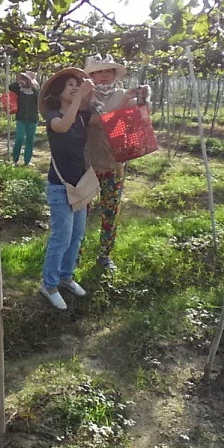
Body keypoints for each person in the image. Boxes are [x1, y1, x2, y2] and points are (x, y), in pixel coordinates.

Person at [83, 56, 149, 271]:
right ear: (91, 75)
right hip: (87, 162)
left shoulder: (123, 94)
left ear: (114, 75)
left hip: (114, 162)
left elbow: (137, 118)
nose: (104, 75)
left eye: (108, 71)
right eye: (99, 72)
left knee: (110, 211)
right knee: (81, 211)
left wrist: (143, 100)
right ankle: (75, 252)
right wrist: (125, 101)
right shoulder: (85, 96)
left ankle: (105, 254)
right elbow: (98, 122)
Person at [37, 67, 96, 310]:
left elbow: (105, 118)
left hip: (80, 185)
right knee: (61, 237)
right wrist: (80, 96)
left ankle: (66, 277)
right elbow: (62, 126)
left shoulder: (82, 116)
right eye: (70, 85)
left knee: (76, 236)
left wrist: (130, 99)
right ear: (59, 92)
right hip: (61, 186)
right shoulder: (53, 116)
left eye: (76, 84)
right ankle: (49, 285)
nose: (75, 87)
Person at [8, 70, 40, 166]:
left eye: (26, 79)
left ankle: (27, 160)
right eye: (23, 78)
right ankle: (15, 159)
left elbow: (39, 103)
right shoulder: (19, 90)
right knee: (20, 138)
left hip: (32, 119)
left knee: (30, 140)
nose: (24, 81)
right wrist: (19, 82)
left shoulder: (35, 92)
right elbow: (10, 87)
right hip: (21, 118)